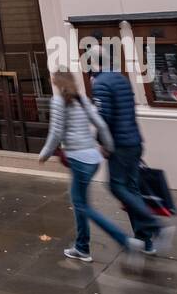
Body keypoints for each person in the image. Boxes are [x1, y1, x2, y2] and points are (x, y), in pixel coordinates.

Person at [38, 70, 143, 263]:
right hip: (93, 158)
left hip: (78, 159)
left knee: (82, 206)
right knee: (79, 204)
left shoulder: (59, 102)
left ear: (57, 83)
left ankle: (125, 241)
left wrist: (44, 153)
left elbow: (56, 132)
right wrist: (109, 147)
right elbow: (101, 125)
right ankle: (81, 246)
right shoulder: (82, 99)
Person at [92, 50, 175, 256]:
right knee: (132, 190)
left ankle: (157, 227)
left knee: (116, 187)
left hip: (119, 145)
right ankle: (144, 240)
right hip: (134, 141)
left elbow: (104, 118)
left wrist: (103, 143)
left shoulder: (102, 83)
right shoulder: (122, 79)